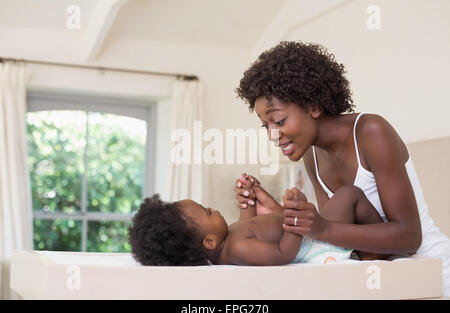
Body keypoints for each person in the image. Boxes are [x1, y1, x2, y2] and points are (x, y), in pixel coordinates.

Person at [234, 41, 450, 295]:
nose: (272, 135)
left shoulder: (371, 132)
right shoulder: (312, 156)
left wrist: (322, 228)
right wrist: (277, 211)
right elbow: (336, 238)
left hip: (433, 274)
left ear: (313, 106)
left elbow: (409, 237)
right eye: (266, 126)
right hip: (381, 277)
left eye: (279, 121)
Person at [128, 175, 387, 266]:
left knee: (345, 196)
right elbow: (282, 254)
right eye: (207, 212)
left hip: (312, 234)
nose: (212, 208)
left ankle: (370, 248)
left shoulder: (229, 239)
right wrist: (295, 218)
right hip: (318, 245)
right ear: (209, 241)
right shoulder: (238, 250)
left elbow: (248, 225)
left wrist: (248, 200)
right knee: (349, 194)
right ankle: (381, 246)